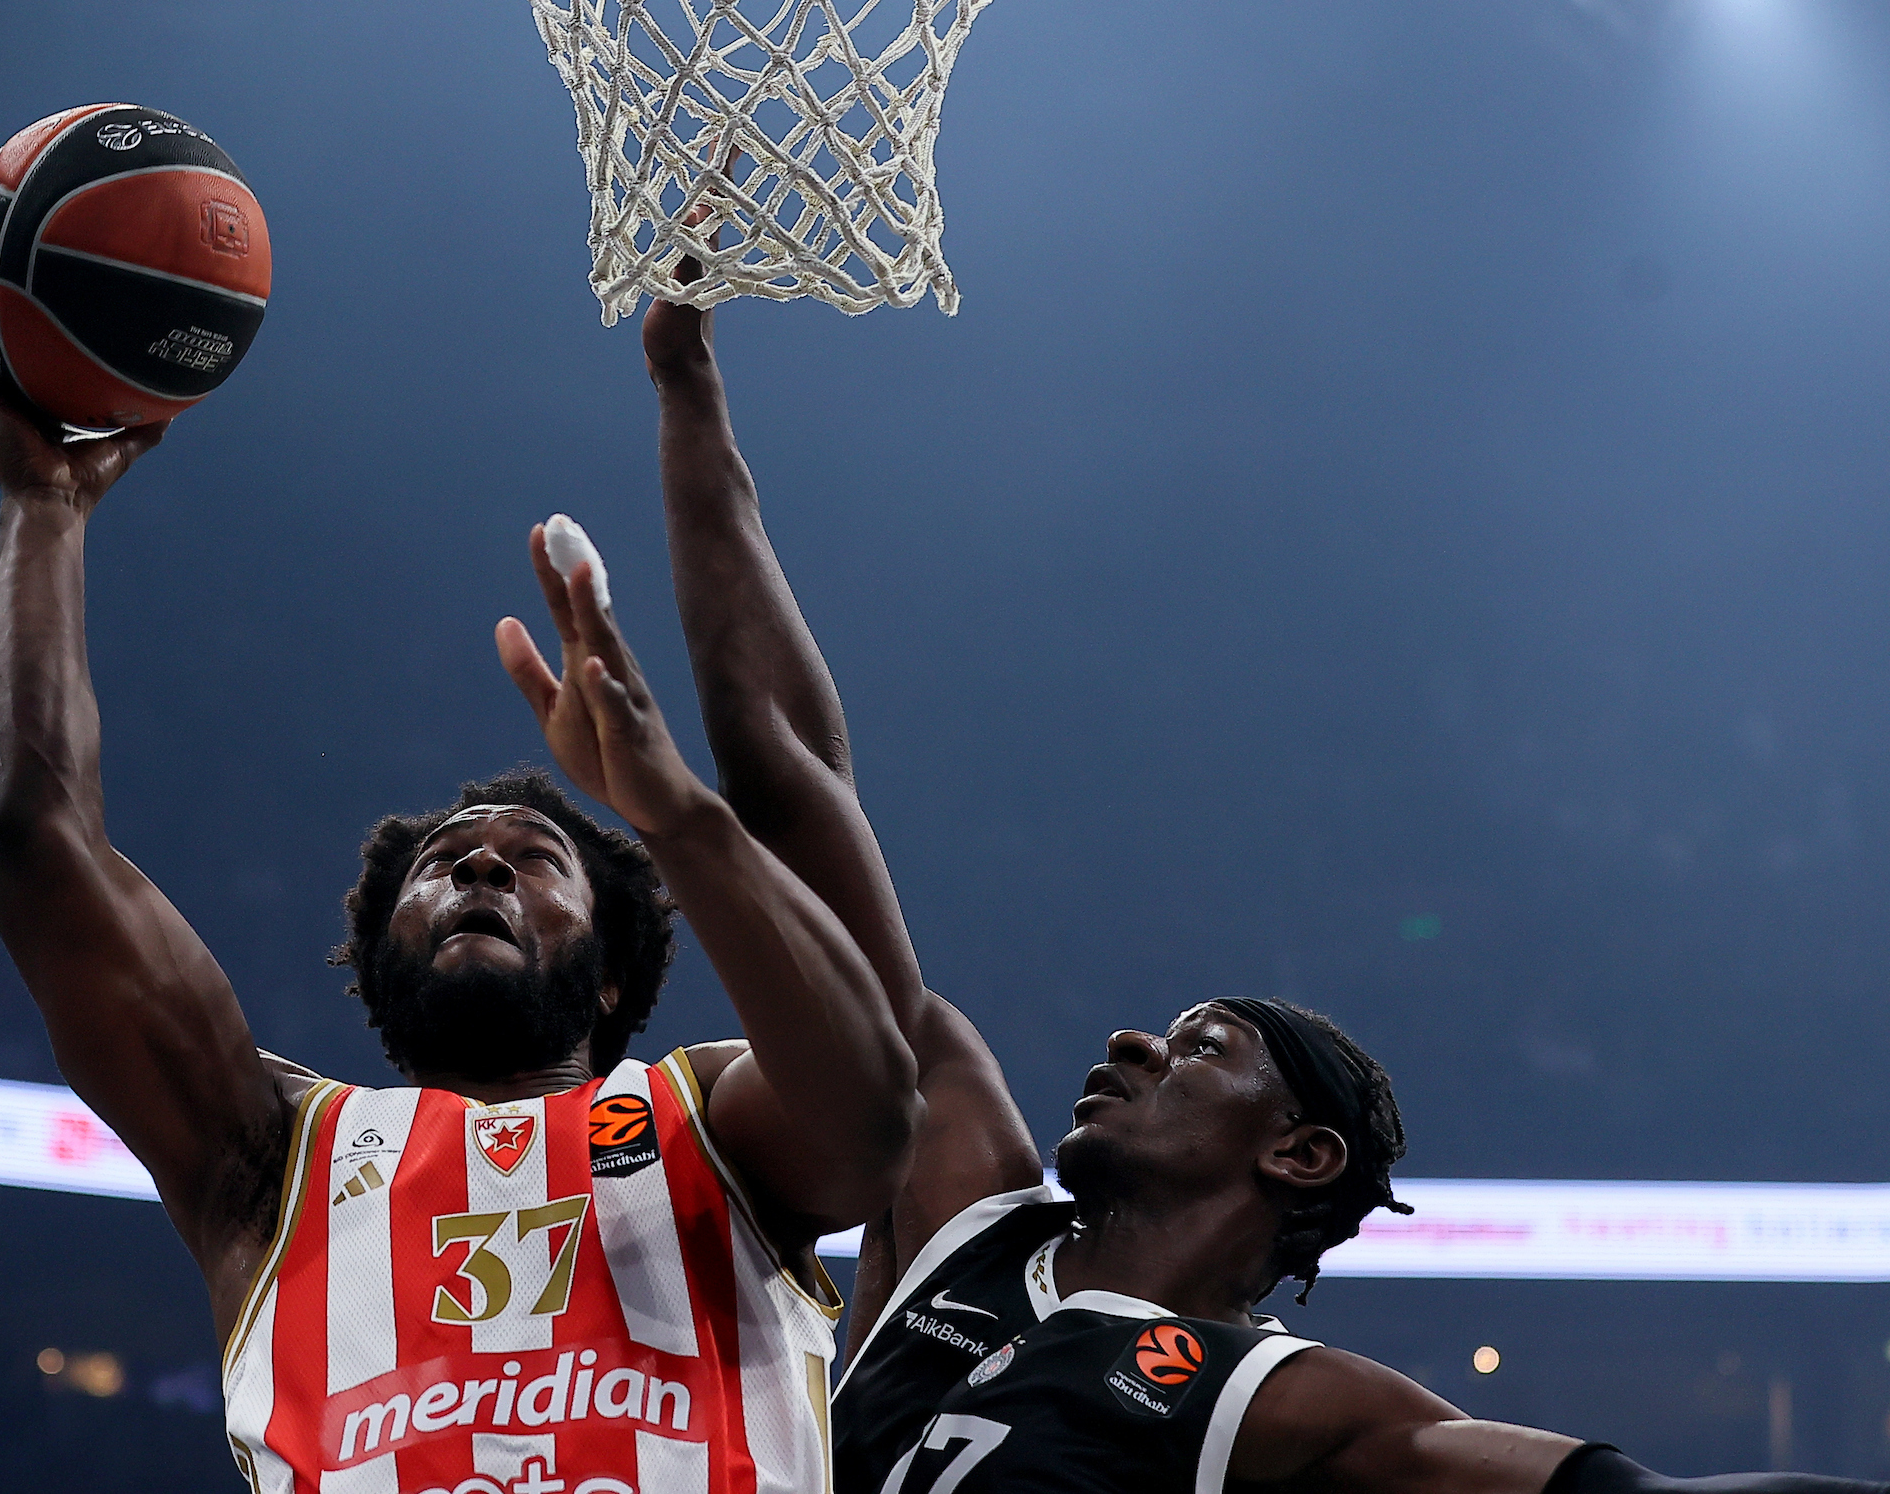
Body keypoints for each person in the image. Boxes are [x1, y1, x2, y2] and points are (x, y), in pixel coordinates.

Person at [639, 282, 1890, 1494]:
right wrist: (690, 394)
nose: (1131, 1038)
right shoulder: (966, 1197)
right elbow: (794, 779)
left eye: (1202, 1046)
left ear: (1298, 1153)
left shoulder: (1293, 1403)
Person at [0, 266, 921, 1494]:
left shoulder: (709, 1121)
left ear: (616, 971)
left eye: (531, 857)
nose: (481, 863)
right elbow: (31, 834)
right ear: (378, 954)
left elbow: (876, 1112)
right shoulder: (270, 1152)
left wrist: (673, 812)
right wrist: (43, 506)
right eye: (443, 864)